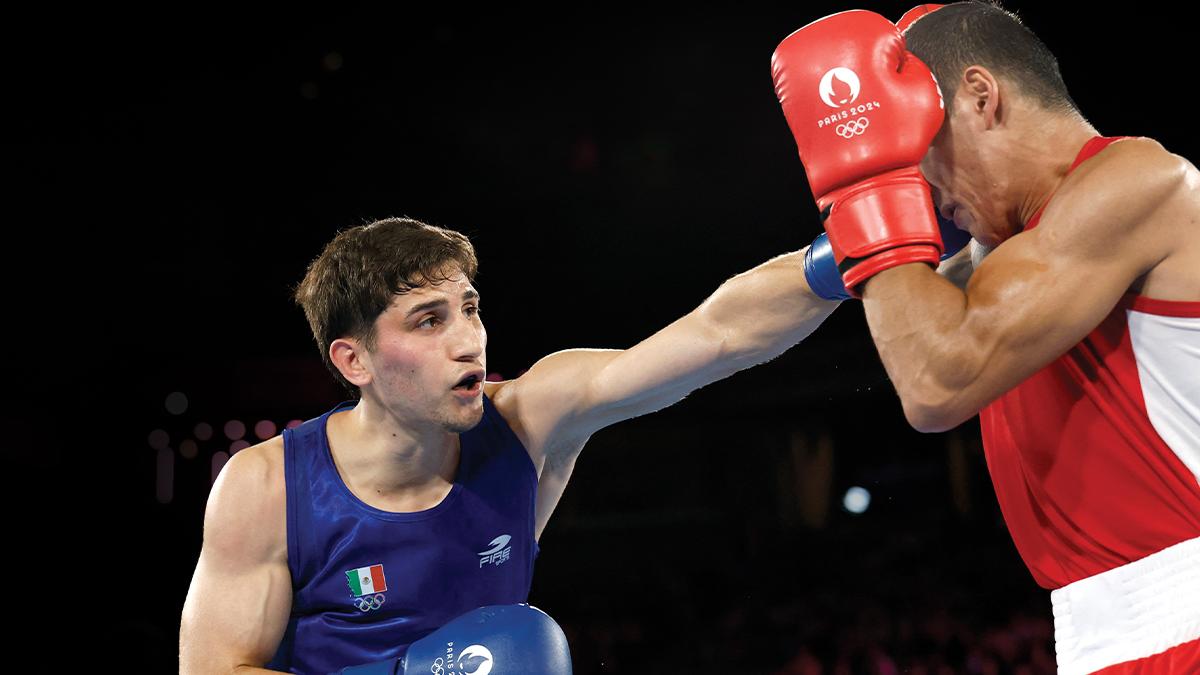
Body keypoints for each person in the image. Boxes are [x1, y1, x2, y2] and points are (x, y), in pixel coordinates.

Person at [178, 216, 841, 673]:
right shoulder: (267, 485)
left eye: (469, 307)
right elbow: (212, 667)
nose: (469, 340)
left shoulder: (529, 417)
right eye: (429, 320)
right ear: (355, 361)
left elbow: (717, 336)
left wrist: (850, 253)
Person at [772, 3, 1199, 673]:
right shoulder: (995, 262)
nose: (926, 186)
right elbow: (746, 314)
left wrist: (863, 180)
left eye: (922, 151)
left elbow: (936, 380)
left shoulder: (1142, 180)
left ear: (981, 97)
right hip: (1102, 643)